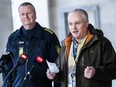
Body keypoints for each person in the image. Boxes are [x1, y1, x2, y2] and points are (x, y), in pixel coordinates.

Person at [46, 9, 116, 87]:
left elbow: (114, 70)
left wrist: (96, 72)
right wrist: (54, 76)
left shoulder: (102, 43)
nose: (73, 27)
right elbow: (62, 73)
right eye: (70, 24)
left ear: (87, 24)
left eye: (77, 23)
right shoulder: (66, 44)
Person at [2, 2, 61, 87]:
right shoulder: (13, 38)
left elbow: (58, 65)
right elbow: (7, 66)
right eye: (22, 14)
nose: (26, 17)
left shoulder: (48, 36)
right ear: (19, 17)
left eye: (29, 13)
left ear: (35, 15)